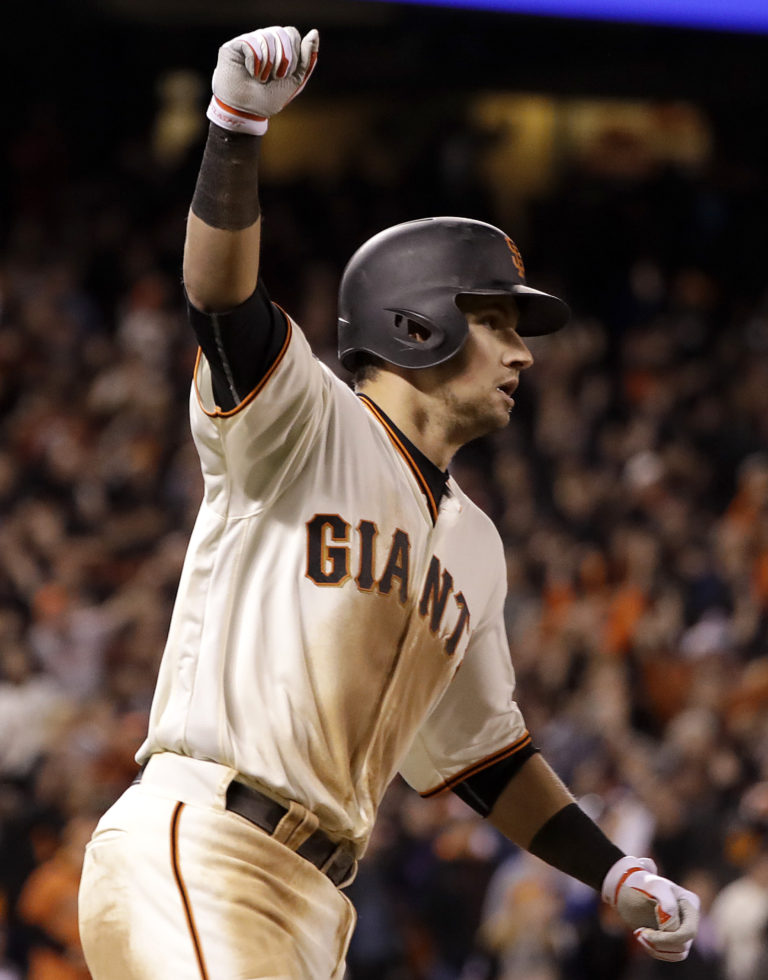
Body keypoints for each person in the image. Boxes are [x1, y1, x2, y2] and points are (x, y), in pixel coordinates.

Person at [77, 24, 700, 979]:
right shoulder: (307, 421)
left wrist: (612, 875)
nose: (523, 352)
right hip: (203, 847)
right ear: (418, 322)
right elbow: (217, 299)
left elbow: (484, 760)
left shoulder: (478, 549)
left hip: (318, 906)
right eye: (496, 321)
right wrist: (235, 128)